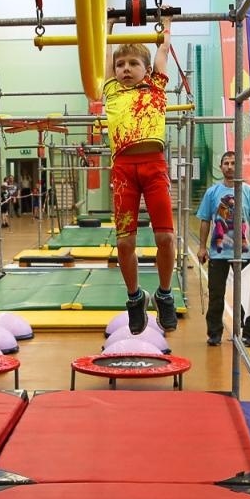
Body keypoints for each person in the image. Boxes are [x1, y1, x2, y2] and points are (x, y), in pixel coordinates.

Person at [102, 17, 177, 334]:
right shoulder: (111, 91)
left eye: (133, 63)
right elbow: (105, 52)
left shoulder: (156, 87)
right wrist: (108, 25)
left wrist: (165, 26)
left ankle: (164, 294)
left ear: (146, 70)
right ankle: (135, 298)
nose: (125, 69)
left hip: (153, 165)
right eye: (121, 64)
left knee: (166, 237)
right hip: (123, 171)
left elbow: (163, 48)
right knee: (124, 242)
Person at [196, 152, 250, 349]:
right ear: (221, 167)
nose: (229, 166)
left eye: (233, 163)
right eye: (226, 163)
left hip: (244, 252)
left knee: (248, 295)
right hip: (218, 253)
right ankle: (215, 334)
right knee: (216, 295)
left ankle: (248, 334)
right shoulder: (212, 193)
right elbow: (204, 220)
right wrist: (202, 247)